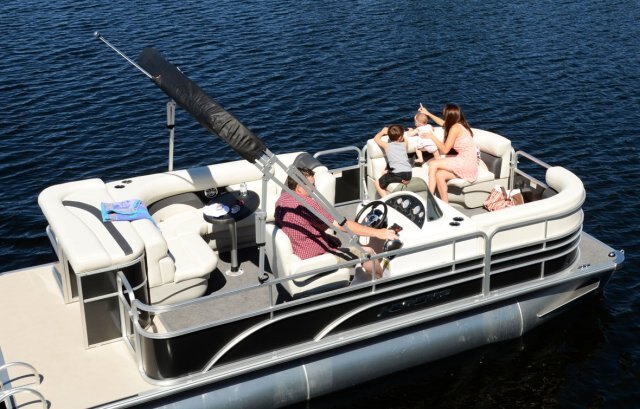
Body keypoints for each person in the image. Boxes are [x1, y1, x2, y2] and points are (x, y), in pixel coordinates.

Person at [274, 167, 398, 279]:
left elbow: (306, 225)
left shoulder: (282, 199)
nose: (315, 188)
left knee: (336, 241)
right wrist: (378, 233)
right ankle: (382, 282)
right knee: (368, 252)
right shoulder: (307, 204)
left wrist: (328, 238)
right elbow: (342, 224)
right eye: (311, 185)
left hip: (299, 249)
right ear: (299, 188)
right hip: (314, 255)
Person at [418, 103, 479, 203]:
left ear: (449, 116)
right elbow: (442, 123)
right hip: (470, 164)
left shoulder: (455, 128)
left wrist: (432, 137)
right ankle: (445, 205)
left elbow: (445, 150)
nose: (443, 116)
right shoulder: (460, 125)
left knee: (433, 164)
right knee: (440, 175)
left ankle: (429, 198)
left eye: (444, 114)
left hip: (466, 162)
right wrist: (427, 113)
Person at [373, 124, 412, 197]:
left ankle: (387, 200)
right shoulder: (405, 144)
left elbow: (376, 138)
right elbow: (405, 140)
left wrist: (383, 132)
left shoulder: (386, 145)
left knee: (377, 183)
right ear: (400, 137)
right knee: (385, 173)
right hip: (408, 173)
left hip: (397, 174)